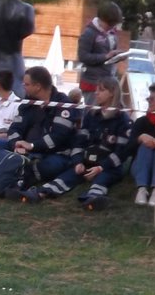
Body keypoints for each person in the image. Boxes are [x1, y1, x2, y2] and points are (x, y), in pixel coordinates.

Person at [26, 76, 132, 209]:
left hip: (110, 166)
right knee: (69, 175)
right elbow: (79, 141)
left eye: (101, 90)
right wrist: (78, 162)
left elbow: (122, 152)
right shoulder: (91, 115)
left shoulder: (123, 120)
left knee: (102, 179)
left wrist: (101, 167)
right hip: (88, 161)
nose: (96, 93)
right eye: (96, 89)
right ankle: (41, 193)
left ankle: (93, 199)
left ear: (112, 92)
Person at [5, 66, 80, 198]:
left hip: (56, 153)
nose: (23, 86)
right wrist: (16, 144)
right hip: (26, 149)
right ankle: (14, 168)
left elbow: (58, 137)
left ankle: (21, 176)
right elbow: (14, 128)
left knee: (51, 165)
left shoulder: (63, 105)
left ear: (38, 86)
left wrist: (32, 146)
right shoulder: (27, 103)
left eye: (26, 84)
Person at [75, 1, 128, 96]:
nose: (111, 27)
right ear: (101, 19)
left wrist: (118, 56)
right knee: (93, 110)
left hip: (109, 81)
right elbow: (83, 56)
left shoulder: (112, 33)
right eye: (109, 24)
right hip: (92, 83)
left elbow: (109, 57)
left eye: (113, 25)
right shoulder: (89, 33)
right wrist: (105, 56)